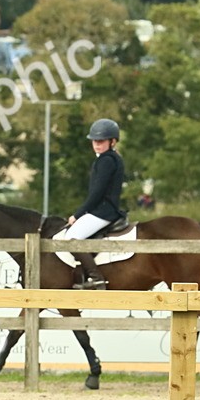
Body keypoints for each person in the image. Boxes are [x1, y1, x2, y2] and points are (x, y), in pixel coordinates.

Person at [63, 118, 126, 290]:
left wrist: (78, 214)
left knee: (71, 238)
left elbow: (97, 194)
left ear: (112, 141)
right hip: (102, 210)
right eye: (94, 141)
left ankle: (96, 278)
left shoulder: (106, 160)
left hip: (103, 211)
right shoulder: (110, 158)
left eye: (101, 141)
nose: (96, 144)